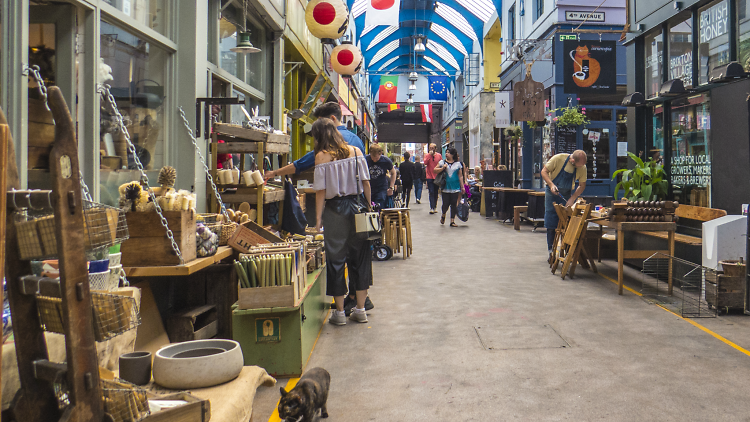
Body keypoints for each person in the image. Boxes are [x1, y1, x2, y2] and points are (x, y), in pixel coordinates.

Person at [312, 118, 373, 325]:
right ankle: (361, 310)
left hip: (335, 210)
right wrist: (369, 206)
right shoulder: (356, 151)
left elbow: (320, 192)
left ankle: (339, 313)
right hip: (358, 207)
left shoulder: (321, 157)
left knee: (336, 260)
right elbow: (366, 183)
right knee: (361, 259)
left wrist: (319, 218)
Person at [264, 102, 365, 179]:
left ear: (333, 119)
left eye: (322, 122)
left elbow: (303, 163)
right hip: (358, 200)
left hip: (338, 199)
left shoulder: (331, 140)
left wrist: (274, 173)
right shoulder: (358, 141)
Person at [540, 150, 588, 258]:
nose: (580, 168)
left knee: (567, 221)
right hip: (551, 192)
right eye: (578, 165)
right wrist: (551, 185)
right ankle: (551, 250)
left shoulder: (582, 168)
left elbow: (582, 185)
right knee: (551, 220)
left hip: (566, 194)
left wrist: (572, 198)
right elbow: (544, 171)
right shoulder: (558, 159)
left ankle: (566, 250)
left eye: (582, 166)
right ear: (572, 160)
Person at [434, 147, 465, 227]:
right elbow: (435, 170)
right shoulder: (442, 162)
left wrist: (462, 186)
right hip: (445, 187)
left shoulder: (458, 164)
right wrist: (442, 168)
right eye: (446, 152)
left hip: (455, 187)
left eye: (448, 152)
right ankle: (443, 214)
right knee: (445, 204)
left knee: (454, 204)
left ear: (452, 154)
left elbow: (460, 176)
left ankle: (452, 221)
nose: (446, 154)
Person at [367, 144, 396, 210]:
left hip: (381, 188)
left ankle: (379, 219)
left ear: (380, 154)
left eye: (376, 158)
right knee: (368, 207)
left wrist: (391, 187)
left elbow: (393, 173)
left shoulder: (385, 161)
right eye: (372, 157)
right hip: (369, 187)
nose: (374, 160)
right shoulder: (366, 159)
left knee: (380, 206)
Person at [423, 143, 442, 214]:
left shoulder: (439, 156)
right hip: (429, 176)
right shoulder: (427, 155)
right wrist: (429, 156)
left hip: (436, 176)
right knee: (431, 192)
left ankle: (435, 206)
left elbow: (441, 163)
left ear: (435, 149)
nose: (431, 149)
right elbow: (425, 163)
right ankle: (431, 207)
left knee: (436, 192)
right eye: (430, 148)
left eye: (432, 148)